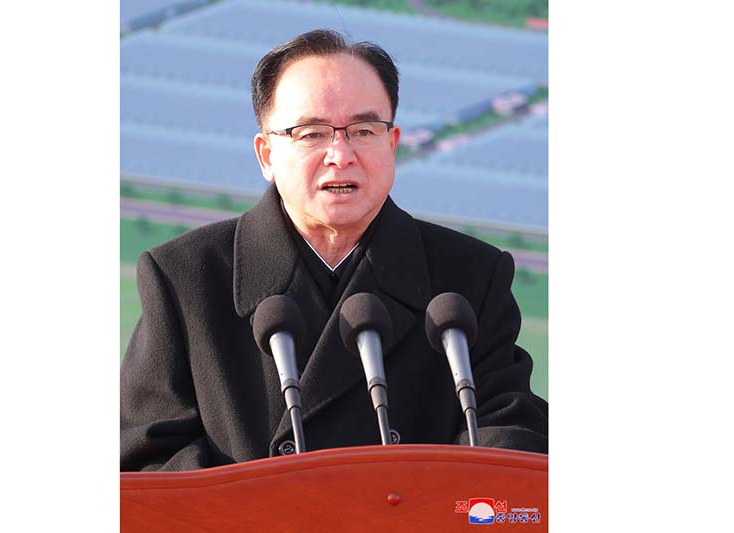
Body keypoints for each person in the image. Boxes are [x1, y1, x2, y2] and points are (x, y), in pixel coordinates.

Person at [120, 29, 547, 471]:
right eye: (312, 134)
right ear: (266, 155)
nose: (340, 155)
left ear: (392, 144)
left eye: (363, 131)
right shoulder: (186, 276)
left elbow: (511, 431)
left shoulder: (470, 277)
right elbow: (146, 456)